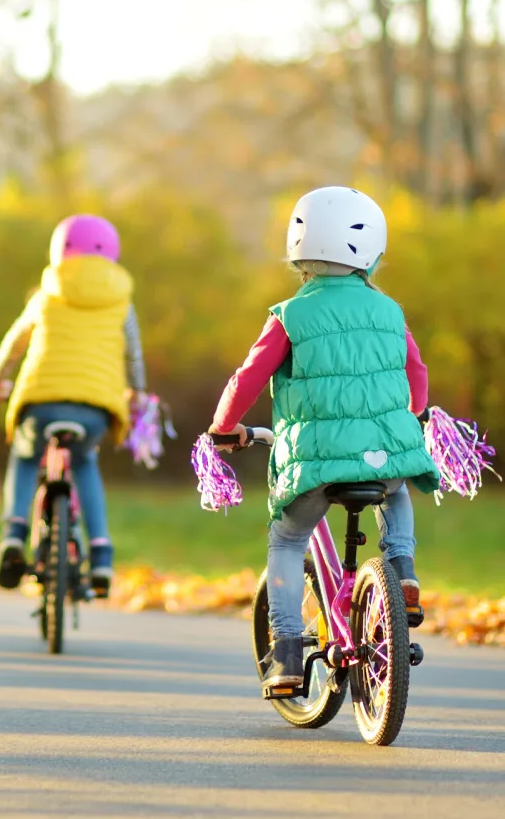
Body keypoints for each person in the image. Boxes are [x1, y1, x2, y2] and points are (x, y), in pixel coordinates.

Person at [206, 187, 440, 696]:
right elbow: (416, 373)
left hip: (316, 463)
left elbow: (248, 379)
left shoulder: (290, 315)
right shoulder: (389, 312)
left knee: (287, 540)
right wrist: (415, 415)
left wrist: (224, 428)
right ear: (372, 253)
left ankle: (288, 652)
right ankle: (402, 568)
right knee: (396, 487)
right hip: (386, 452)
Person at [0, 214, 147, 599]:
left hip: (41, 400)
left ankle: (13, 535)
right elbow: (133, 355)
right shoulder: (121, 301)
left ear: (59, 251)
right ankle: (101, 556)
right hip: (95, 406)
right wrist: (137, 392)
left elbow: (15, 343)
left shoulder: (46, 293)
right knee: (85, 462)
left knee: (26, 457)